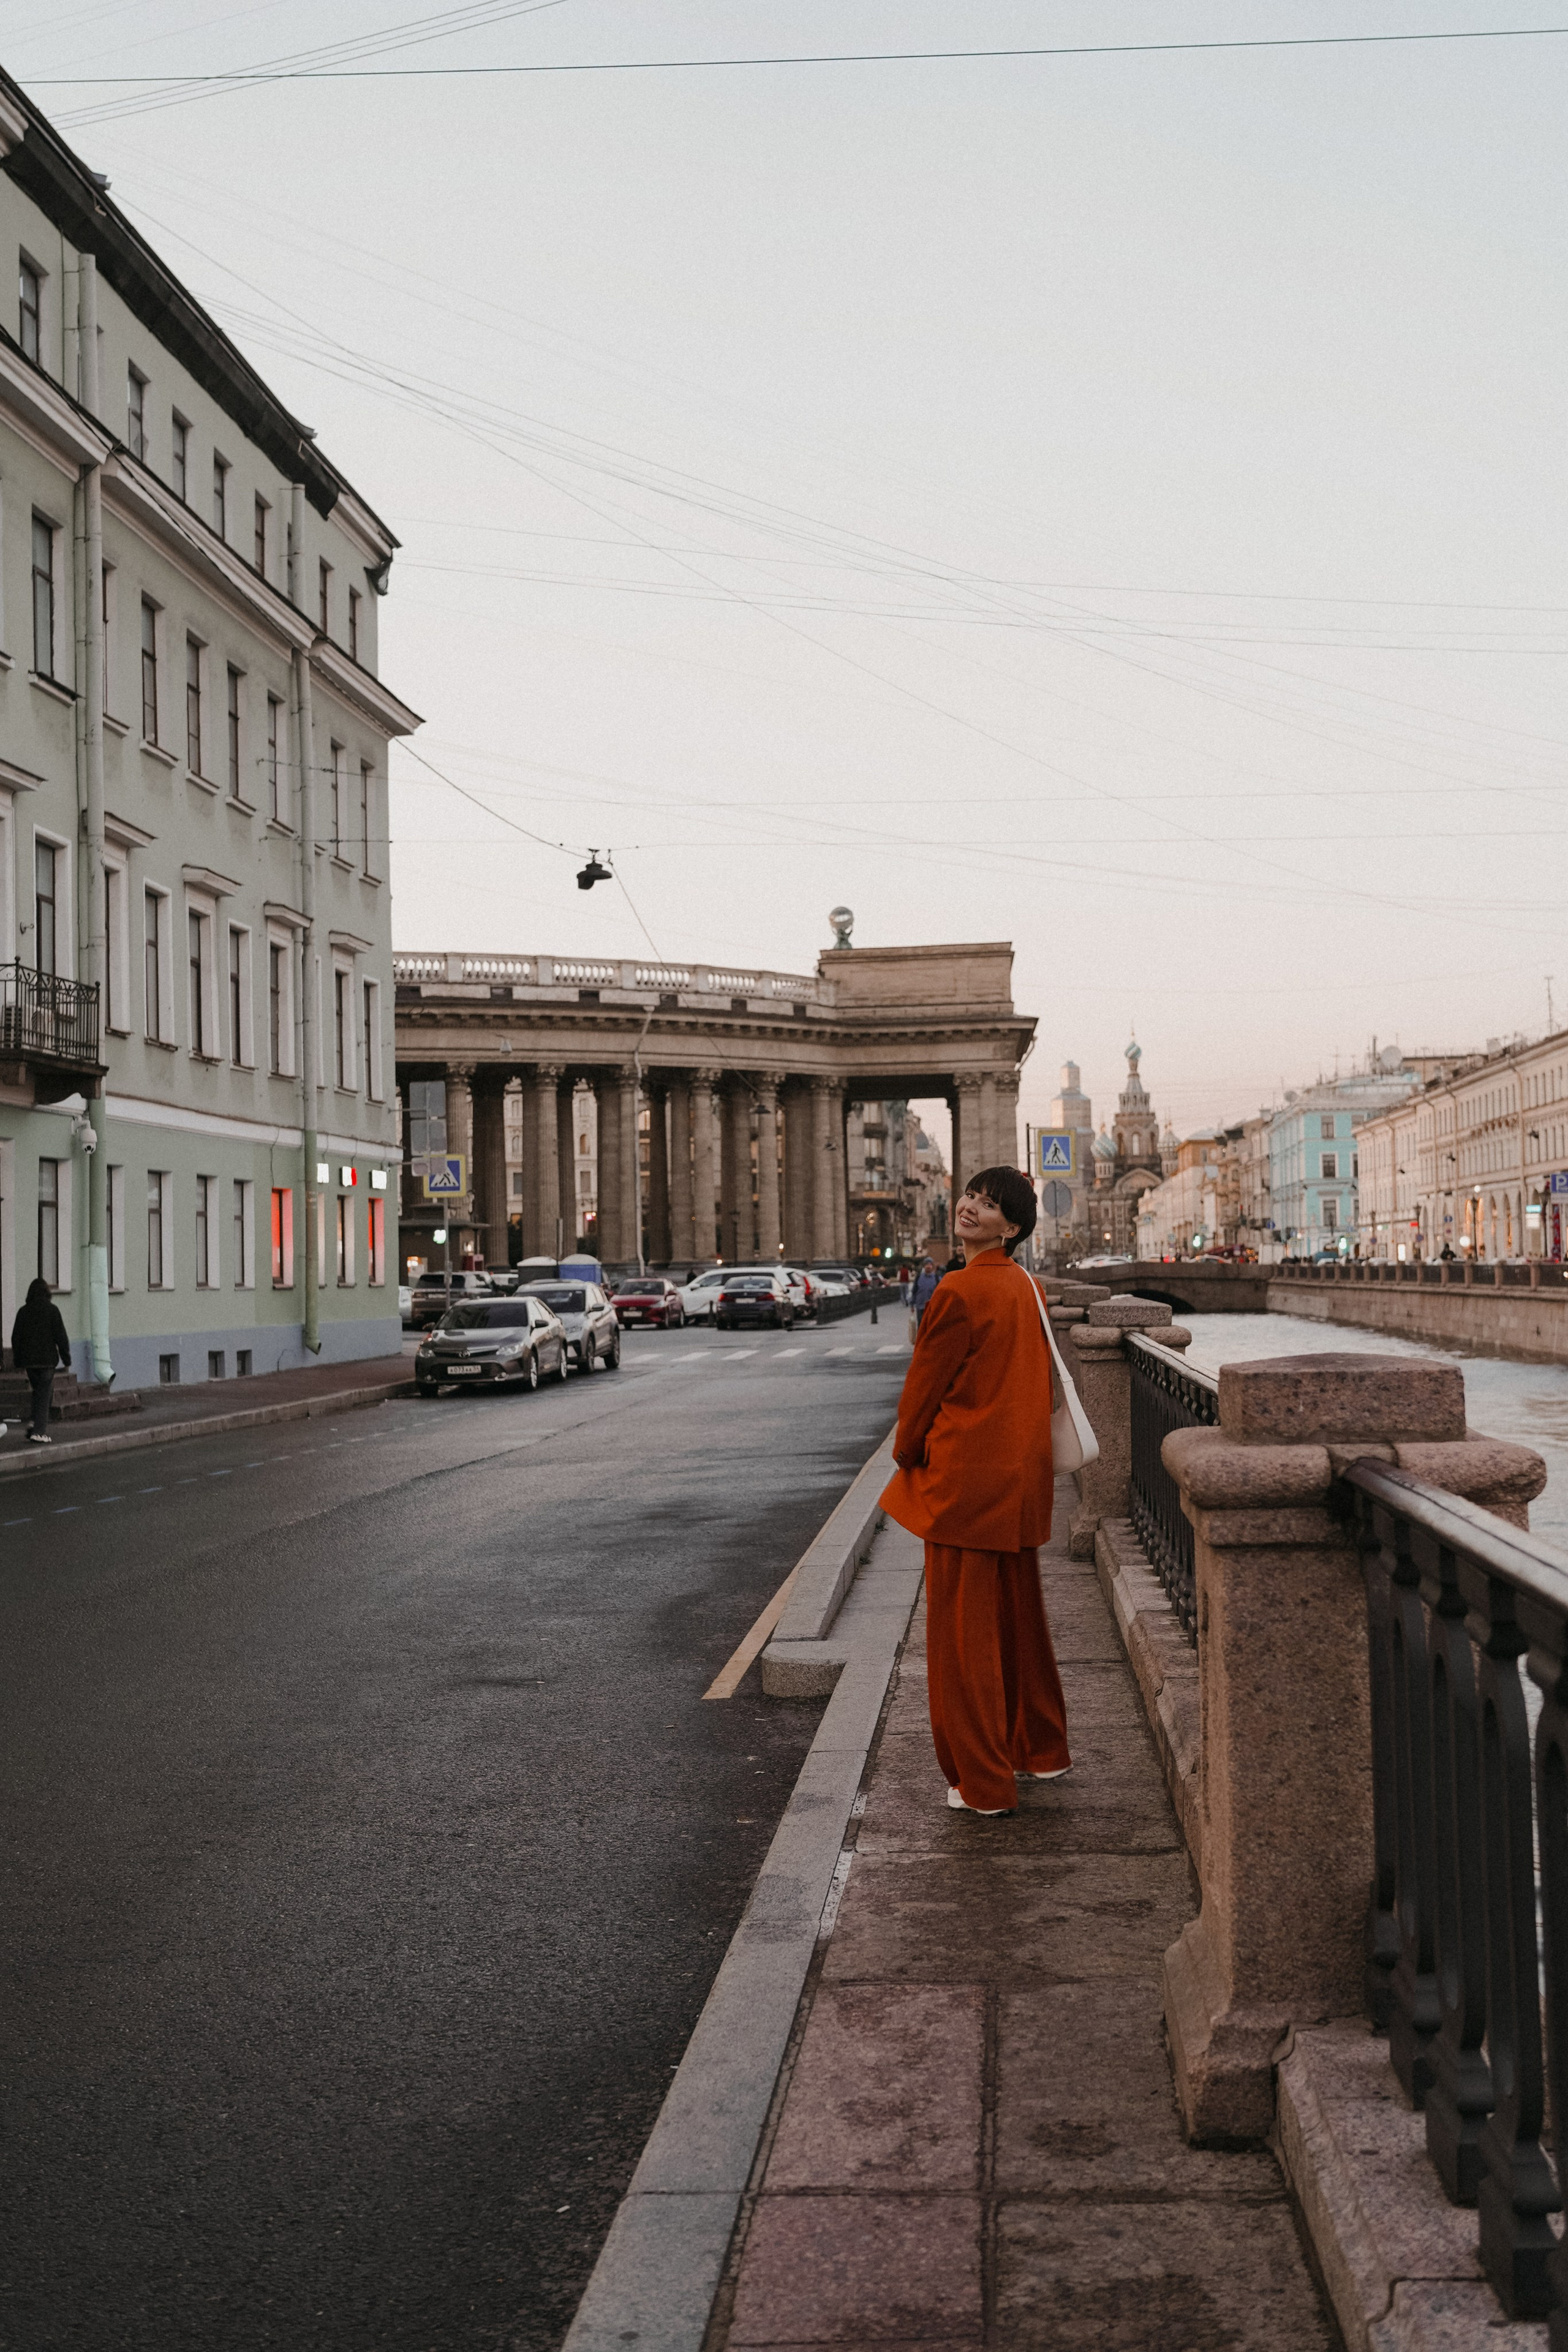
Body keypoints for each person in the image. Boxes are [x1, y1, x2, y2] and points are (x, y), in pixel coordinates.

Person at [881, 1166, 1071, 1817]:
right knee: (1020, 1628)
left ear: (1010, 1228)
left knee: (963, 1646)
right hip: (1021, 1481)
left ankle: (982, 1784)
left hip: (964, 1487)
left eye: (989, 1205)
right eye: (970, 1196)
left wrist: (908, 1455)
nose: (970, 1208)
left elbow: (922, 1393)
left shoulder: (957, 1292)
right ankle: (1042, 1751)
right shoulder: (1029, 1288)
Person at [10, 1276, 72, 1446]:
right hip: (47, 1361)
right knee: (45, 1395)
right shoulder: (52, 1311)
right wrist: (66, 1359)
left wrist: (18, 1360)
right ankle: (39, 1432)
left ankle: (34, 1422)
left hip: (30, 1362)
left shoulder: (23, 1312)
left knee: (40, 1391)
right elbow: (61, 1337)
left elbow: (16, 1338)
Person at [911, 1254, 940, 1326]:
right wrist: (912, 1304)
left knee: (931, 1326)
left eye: (930, 1265)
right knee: (921, 1326)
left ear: (932, 1266)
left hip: (932, 1307)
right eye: (927, 1264)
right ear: (924, 1266)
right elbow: (914, 1291)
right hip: (920, 1306)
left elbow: (940, 1293)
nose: (928, 1266)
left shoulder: (936, 1278)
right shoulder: (919, 1277)